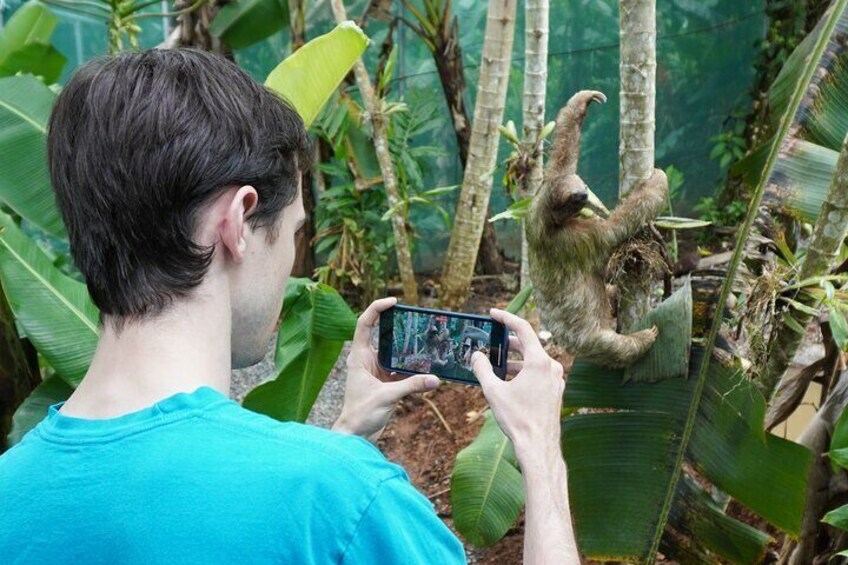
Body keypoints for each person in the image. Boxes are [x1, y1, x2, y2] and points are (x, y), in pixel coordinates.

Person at [0, 48, 580, 564]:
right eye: (295, 232)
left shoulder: (10, 494)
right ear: (238, 223)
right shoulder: (341, 499)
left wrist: (344, 433)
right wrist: (541, 450)